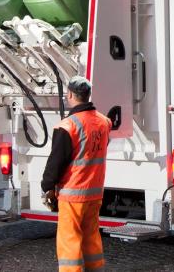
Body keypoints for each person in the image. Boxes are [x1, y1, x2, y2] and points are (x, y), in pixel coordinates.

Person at [42, 77, 111, 272]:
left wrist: (47, 186)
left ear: (70, 95)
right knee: (91, 237)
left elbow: (56, 162)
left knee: (69, 240)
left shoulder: (67, 126)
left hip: (72, 195)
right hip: (94, 193)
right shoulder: (104, 122)